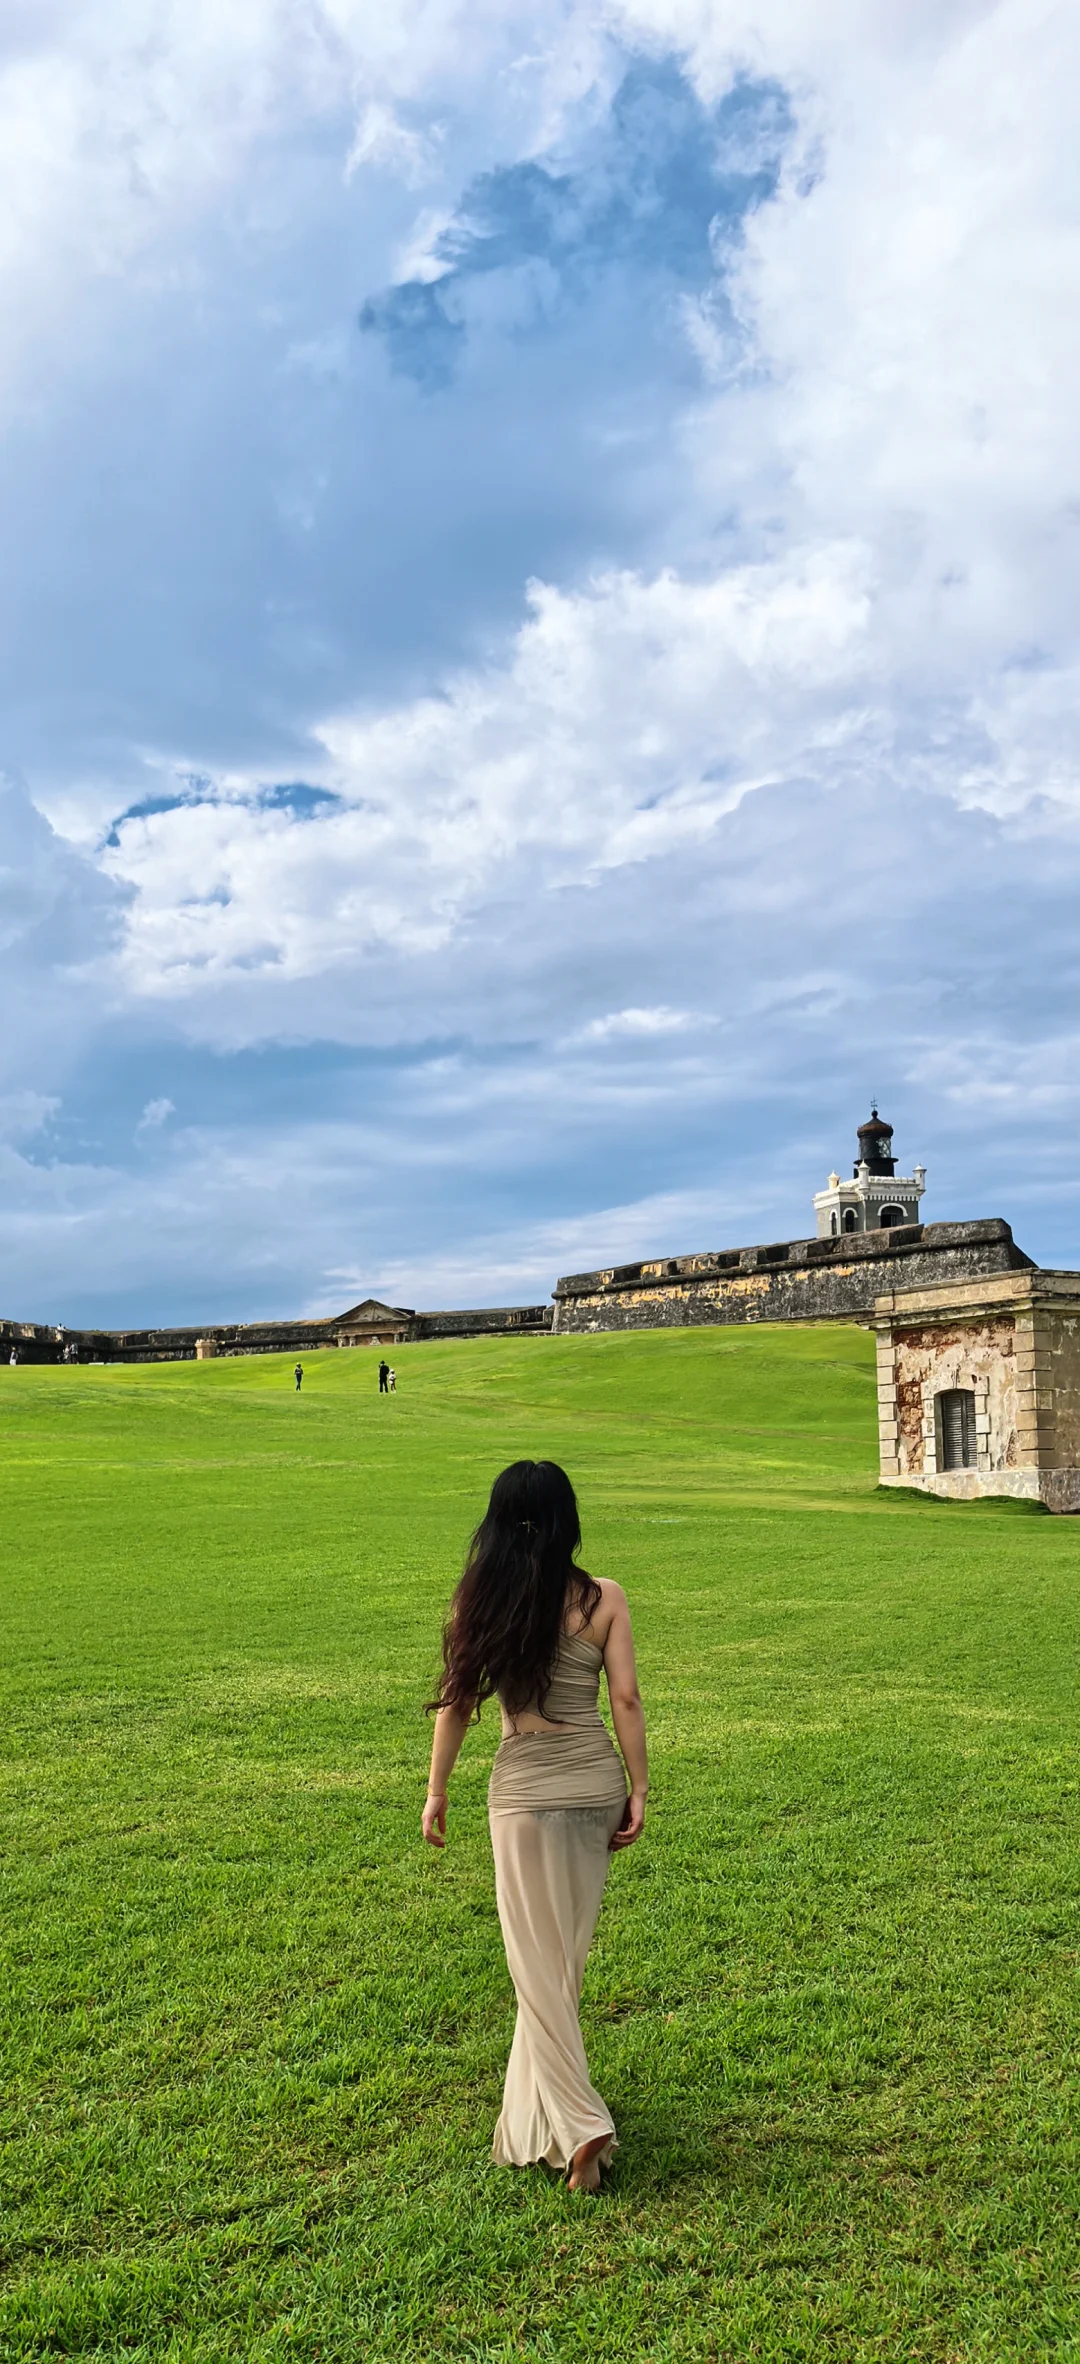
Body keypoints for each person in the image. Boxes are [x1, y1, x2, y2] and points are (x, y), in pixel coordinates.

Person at [423, 1459, 648, 2193]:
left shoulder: (477, 1600)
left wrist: (437, 1792)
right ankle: (540, 2124)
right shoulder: (603, 1597)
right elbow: (626, 1700)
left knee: (536, 1964)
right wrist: (640, 1786)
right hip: (593, 1785)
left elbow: (458, 1706)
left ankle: (582, 2126)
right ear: (565, 1519)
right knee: (561, 1963)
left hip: (520, 1790)